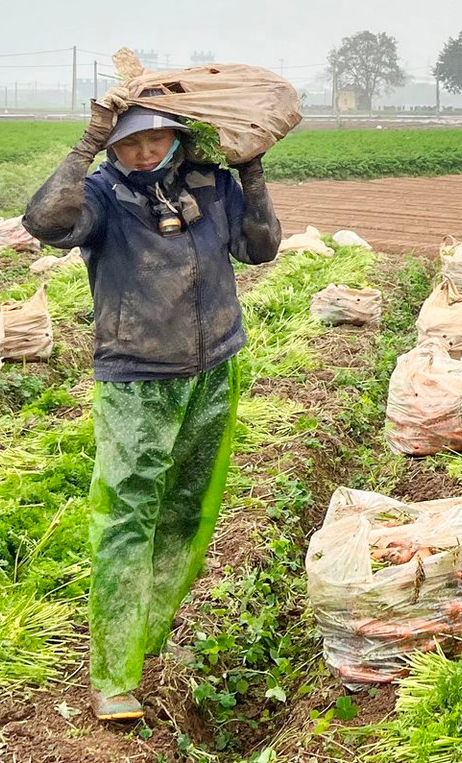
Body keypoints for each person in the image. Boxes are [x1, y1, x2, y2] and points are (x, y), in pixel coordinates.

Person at [22, 96, 282, 721]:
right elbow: (45, 223)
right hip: (138, 378)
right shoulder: (105, 197)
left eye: (154, 140)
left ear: (177, 138)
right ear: (113, 147)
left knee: (188, 510)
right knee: (128, 514)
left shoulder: (210, 186)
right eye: (128, 143)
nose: (142, 153)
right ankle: (113, 676)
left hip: (214, 368)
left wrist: (251, 170)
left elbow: (261, 248)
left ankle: (147, 638)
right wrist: (86, 146)